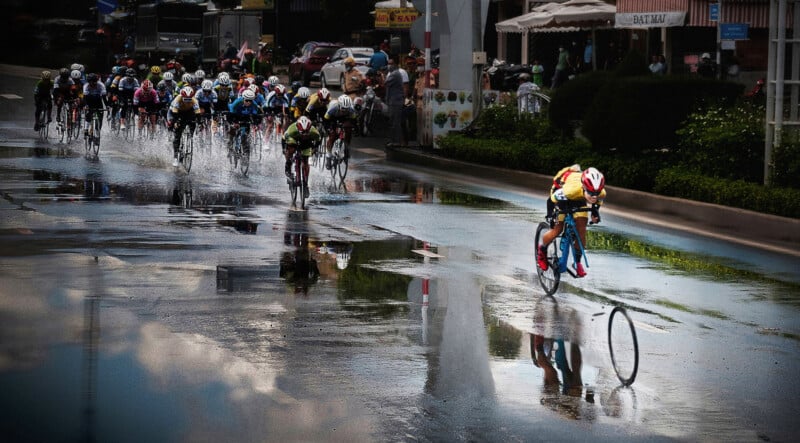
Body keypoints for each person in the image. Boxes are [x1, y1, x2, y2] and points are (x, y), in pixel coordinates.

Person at [536, 165, 606, 278]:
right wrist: (550, 216)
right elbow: (551, 200)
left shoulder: (600, 192)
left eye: (596, 194)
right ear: (584, 187)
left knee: (582, 229)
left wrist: (595, 212)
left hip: (579, 199)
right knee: (557, 229)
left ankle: (577, 262)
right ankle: (542, 251)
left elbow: (597, 203)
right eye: (591, 193)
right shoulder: (570, 190)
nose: (594, 197)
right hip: (562, 196)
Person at [283, 115, 321, 198]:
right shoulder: (291, 130)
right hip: (293, 140)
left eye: (306, 132)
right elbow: (283, 139)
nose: (304, 134)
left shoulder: (314, 131)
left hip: (306, 143)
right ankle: (288, 165)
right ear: (298, 128)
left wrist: (314, 148)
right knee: (290, 149)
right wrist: (286, 152)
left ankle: (305, 184)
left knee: (305, 161)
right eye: (302, 133)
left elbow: (318, 140)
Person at [167, 86, 201, 167]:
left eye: (189, 99)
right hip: (176, 112)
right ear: (182, 96)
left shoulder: (194, 100)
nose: (187, 101)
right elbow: (175, 114)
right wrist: (176, 122)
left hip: (188, 112)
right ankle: (175, 157)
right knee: (177, 131)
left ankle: (189, 137)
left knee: (193, 123)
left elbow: (198, 114)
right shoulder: (178, 99)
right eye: (185, 99)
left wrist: (198, 123)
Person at [323, 94, 358, 168]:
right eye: (342, 108)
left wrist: (355, 129)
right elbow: (326, 120)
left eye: (346, 109)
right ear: (339, 105)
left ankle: (346, 150)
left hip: (345, 119)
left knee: (348, 130)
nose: (344, 110)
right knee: (332, 136)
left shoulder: (351, 109)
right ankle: (328, 156)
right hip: (333, 118)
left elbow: (354, 121)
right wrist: (328, 129)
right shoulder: (333, 107)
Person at [227, 88, 263, 156]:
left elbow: (256, 116)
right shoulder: (237, 102)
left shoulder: (254, 105)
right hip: (235, 115)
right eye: (246, 100)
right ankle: (230, 146)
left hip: (246, 117)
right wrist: (234, 123)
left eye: (250, 101)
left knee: (245, 135)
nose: (248, 102)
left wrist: (256, 123)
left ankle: (245, 150)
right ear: (243, 99)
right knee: (233, 130)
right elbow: (230, 115)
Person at [384, 58, 407, 147]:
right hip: (393, 101)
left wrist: (382, 75)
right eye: (388, 63)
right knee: (393, 121)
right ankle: (394, 141)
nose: (389, 65)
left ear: (396, 64)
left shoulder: (395, 74)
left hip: (396, 101)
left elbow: (385, 83)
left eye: (391, 63)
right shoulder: (393, 73)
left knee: (395, 122)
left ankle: (396, 142)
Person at [82, 73, 108, 137]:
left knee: (100, 116)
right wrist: (85, 105)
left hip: (98, 100)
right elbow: (85, 98)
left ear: (96, 81)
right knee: (88, 114)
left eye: (94, 83)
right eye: (91, 83)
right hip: (89, 100)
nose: (92, 84)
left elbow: (104, 97)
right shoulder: (86, 86)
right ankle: (86, 129)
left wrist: (107, 105)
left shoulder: (101, 85)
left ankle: (97, 130)